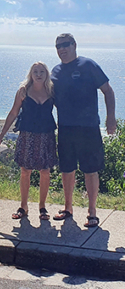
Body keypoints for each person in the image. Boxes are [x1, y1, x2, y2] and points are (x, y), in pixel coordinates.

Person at [51, 33, 116, 227]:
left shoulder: (89, 65)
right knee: (67, 169)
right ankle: (68, 208)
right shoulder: (55, 71)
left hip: (88, 127)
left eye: (65, 45)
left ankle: (92, 212)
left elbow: (108, 91)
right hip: (65, 127)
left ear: (74, 45)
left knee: (90, 170)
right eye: (58, 46)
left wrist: (110, 118)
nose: (61, 49)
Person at [0, 62, 57, 220]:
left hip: (46, 135)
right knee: (25, 171)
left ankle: (42, 207)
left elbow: (65, 109)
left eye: (42, 71)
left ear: (46, 74)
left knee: (45, 172)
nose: (39, 74)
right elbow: (13, 113)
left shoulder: (52, 91)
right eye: (35, 71)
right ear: (31, 74)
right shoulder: (23, 91)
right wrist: (1, 134)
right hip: (27, 135)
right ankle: (23, 206)